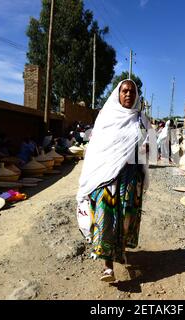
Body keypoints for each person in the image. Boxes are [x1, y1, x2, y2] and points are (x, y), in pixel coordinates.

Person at [76, 79, 151, 282]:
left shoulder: (142, 120)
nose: (128, 95)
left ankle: (121, 251)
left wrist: (145, 152)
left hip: (130, 177)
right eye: (124, 91)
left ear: (137, 96)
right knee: (106, 217)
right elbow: (95, 149)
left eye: (132, 92)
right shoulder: (106, 117)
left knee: (126, 220)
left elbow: (148, 147)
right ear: (118, 94)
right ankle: (107, 266)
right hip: (105, 178)